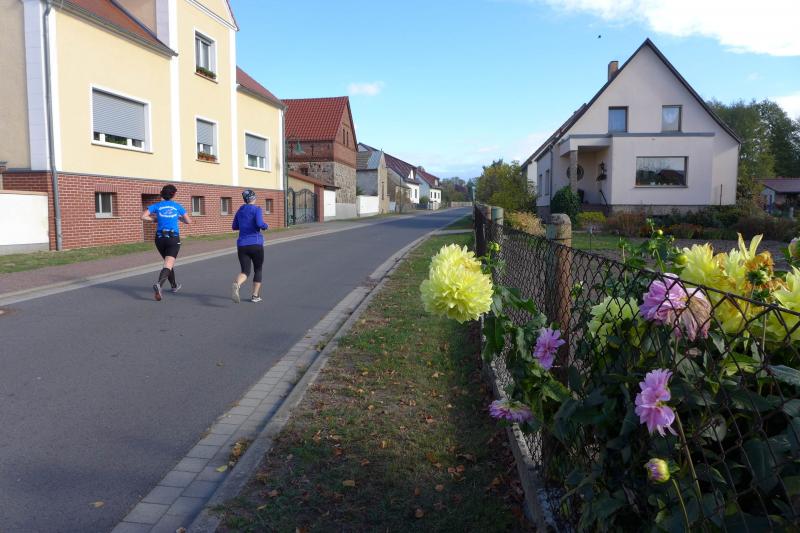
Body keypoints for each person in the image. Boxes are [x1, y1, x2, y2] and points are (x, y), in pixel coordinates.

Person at [141, 184, 191, 301]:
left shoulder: (156, 206)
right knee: (168, 263)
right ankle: (159, 284)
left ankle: (174, 286)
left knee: (168, 263)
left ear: (162, 194)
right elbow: (188, 221)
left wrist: (155, 219)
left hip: (159, 239)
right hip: (172, 238)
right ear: (174, 194)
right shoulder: (177, 206)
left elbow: (143, 216)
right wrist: (179, 218)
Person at [231, 189, 268, 303]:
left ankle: (237, 284)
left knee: (245, 271)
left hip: (242, 245)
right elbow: (259, 223)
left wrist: (244, 224)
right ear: (254, 198)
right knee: (258, 269)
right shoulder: (257, 209)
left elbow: (234, 226)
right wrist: (265, 226)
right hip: (255, 243)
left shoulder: (240, 210)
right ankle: (255, 296)